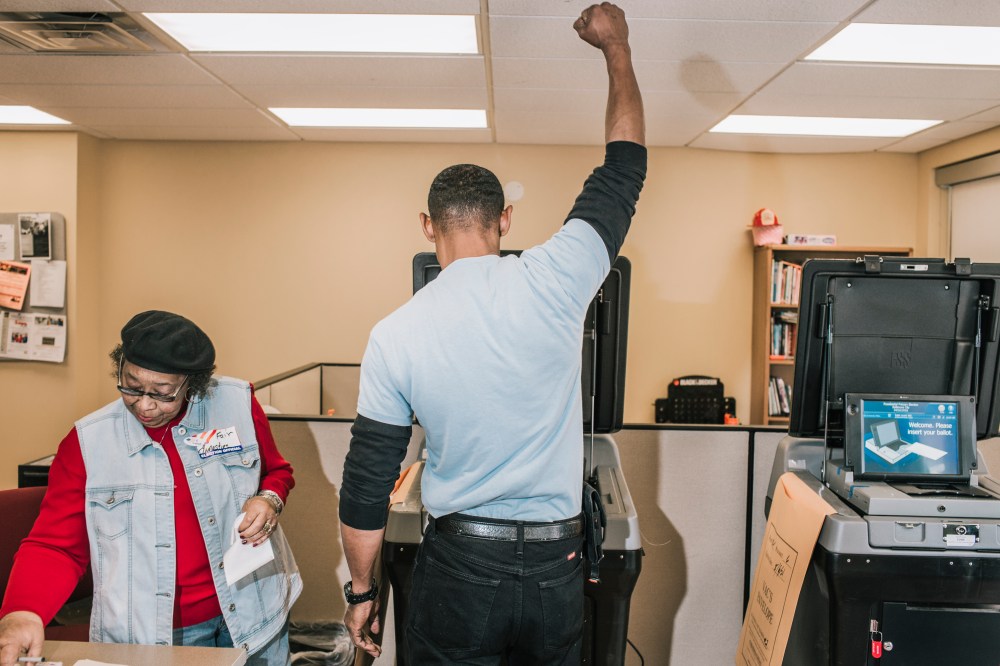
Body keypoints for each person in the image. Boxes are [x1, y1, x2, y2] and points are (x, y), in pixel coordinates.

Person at [339, 3, 645, 663]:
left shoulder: (395, 334)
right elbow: (624, 168)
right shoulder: (558, 277)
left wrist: (362, 591)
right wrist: (616, 48)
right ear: (504, 219)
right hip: (557, 564)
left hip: (460, 564)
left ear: (428, 226)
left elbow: (366, 484)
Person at [0, 310, 301, 666]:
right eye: (131, 386)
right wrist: (23, 610)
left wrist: (268, 499)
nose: (144, 405)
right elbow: (56, 545)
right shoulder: (87, 444)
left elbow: (276, 471)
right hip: (157, 635)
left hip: (254, 612)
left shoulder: (237, 404)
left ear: (192, 384)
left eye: (163, 394)